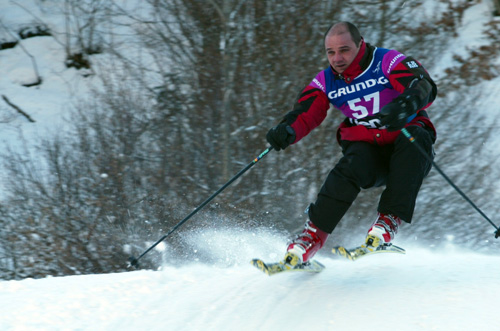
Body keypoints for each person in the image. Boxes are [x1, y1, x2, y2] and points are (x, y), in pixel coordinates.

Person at [266, 22, 437, 268]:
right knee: (350, 166)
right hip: (370, 153)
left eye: (344, 50)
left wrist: (406, 103)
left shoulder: (387, 62)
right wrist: (286, 130)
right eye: (331, 52)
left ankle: (387, 222)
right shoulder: (327, 81)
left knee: (415, 135)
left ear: (360, 44)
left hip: (407, 144)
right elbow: (305, 112)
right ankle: (311, 237)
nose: (337, 58)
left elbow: (422, 84)